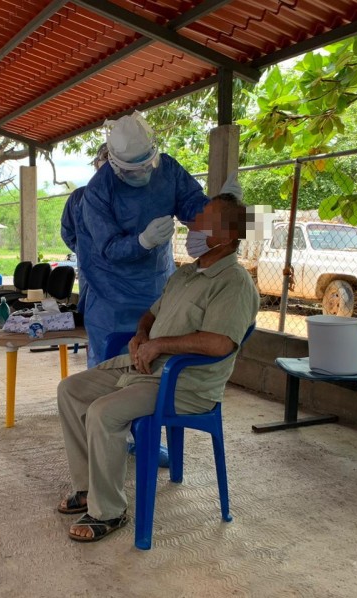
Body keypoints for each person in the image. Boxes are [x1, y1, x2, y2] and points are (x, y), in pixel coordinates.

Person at [55, 189, 260, 542]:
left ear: (226, 236)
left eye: (204, 220)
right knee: (70, 390)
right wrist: (141, 334)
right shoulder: (186, 274)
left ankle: (110, 511)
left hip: (184, 383)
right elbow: (152, 312)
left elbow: (220, 343)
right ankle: (89, 488)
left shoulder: (234, 283)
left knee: (105, 413)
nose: (193, 225)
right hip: (145, 369)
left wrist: (160, 345)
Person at [78, 112, 219, 368]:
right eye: (134, 170)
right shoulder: (98, 191)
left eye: (148, 165)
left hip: (156, 284)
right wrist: (142, 241)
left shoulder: (168, 169)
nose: (144, 173)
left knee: (154, 362)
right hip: (111, 294)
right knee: (109, 367)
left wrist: (215, 214)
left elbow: (191, 203)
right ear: (116, 165)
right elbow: (108, 247)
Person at [60, 143, 109, 309]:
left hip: (126, 274)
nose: (111, 163)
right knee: (91, 310)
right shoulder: (79, 197)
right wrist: (85, 250)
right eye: (106, 157)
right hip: (89, 267)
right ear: (96, 163)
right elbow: (68, 231)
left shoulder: (135, 197)